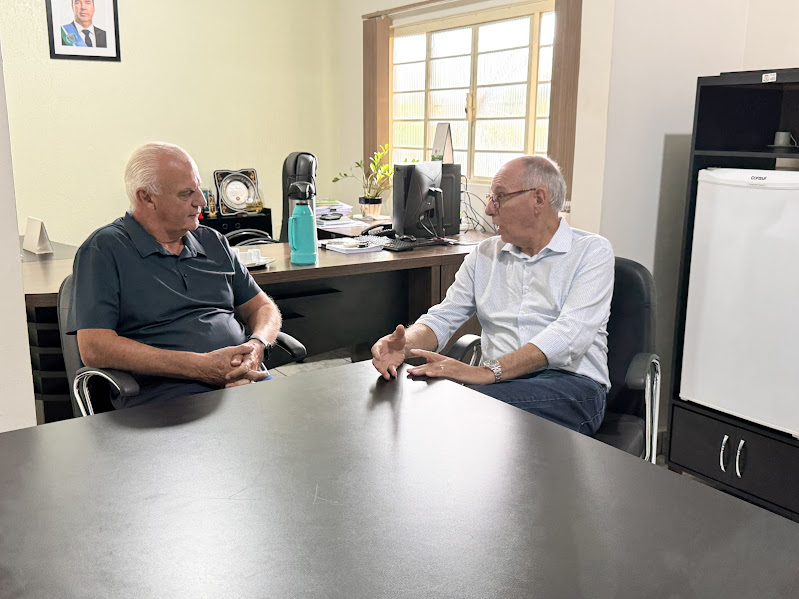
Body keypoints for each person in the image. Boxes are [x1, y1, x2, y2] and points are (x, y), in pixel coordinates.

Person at [371, 156, 614, 435]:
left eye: (499, 198)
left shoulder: (591, 252)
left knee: (472, 412)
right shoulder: (485, 254)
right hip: (498, 385)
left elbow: (569, 335)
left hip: (570, 386)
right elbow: (445, 315)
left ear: (539, 199)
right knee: (416, 405)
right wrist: (406, 344)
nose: (488, 209)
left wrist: (488, 372)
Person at [68, 142, 282, 409]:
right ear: (146, 198)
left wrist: (257, 346)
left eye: (199, 189)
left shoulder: (213, 241)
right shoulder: (104, 249)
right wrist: (200, 367)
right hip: (165, 397)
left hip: (241, 380)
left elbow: (262, 307)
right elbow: (95, 347)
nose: (201, 202)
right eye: (186, 194)